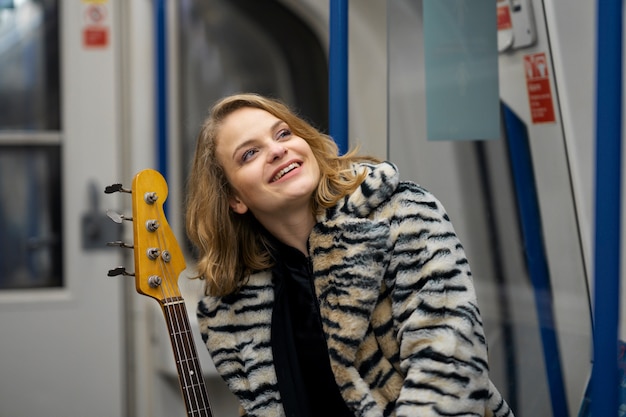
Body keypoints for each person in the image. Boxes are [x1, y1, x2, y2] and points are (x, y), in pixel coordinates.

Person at [185, 93, 514, 417]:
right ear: (234, 199)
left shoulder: (403, 216)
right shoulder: (235, 306)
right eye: (250, 153)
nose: (276, 150)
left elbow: (448, 363)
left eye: (283, 133)